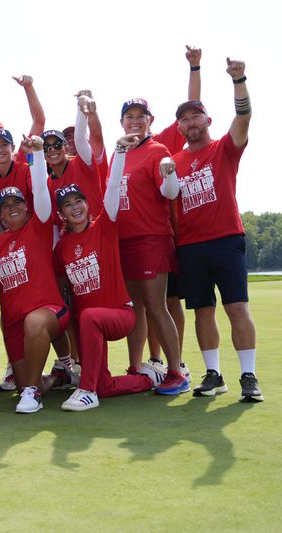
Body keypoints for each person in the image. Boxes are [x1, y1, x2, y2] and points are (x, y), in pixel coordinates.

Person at [172, 57, 263, 402]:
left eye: (195, 115)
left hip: (226, 239)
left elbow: (244, 118)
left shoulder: (223, 148)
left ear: (208, 120)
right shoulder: (174, 162)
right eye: (184, 118)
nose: (190, 122)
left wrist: (239, 79)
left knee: (237, 307)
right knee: (202, 310)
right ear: (179, 127)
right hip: (190, 245)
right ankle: (214, 374)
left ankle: (249, 375)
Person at [54, 136, 165, 411]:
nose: (75, 207)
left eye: (79, 201)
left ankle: (86, 391)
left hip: (119, 315)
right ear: (62, 214)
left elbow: (113, 187)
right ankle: (147, 379)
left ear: (87, 204)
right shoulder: (61, 247)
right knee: (104, 384)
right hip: (88, 325)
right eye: (68, 205)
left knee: (89, 316)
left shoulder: (104, 227)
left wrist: (119, 152)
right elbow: (60, 284)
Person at [0, 136, 70, 414]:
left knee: (35, 322)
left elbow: (40, 190)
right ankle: (52, 380)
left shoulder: (38, 227)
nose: (12, 207)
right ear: (0, 214)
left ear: (26, 207)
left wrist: (38, 155)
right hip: (13, 321)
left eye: (17, 203)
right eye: (6, 205)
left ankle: (33, 392)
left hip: (47, 312)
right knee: (24, 379)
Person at [116, 98, 186, 394]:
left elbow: (169, 192)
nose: (134, 121)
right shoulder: (119, 153)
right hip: (125, 240)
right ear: (121, 122)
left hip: (152, 238)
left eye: (140, 116)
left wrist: (171, 173)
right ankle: (136, 367)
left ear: (150, 120)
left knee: (157, 307)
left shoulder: (158, 150)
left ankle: (176, 372)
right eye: (129, 116)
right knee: (136, 308)